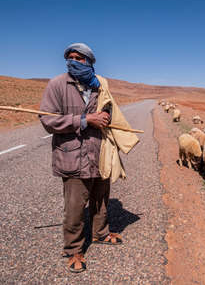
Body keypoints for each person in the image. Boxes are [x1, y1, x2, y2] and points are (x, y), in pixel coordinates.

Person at [39, 43, 138, 273]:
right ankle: (73, 250)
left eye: (79, 58)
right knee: (75, 206)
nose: (73, 61)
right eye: (70, 58)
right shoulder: (57, 85)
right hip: (73, 157)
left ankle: (100, 233)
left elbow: (108, 110)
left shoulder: (100, 86)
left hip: (100, 152)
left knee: (101, 197)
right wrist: (84, 120)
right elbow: (47, 120)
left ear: (90, 62)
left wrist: (105, 115)